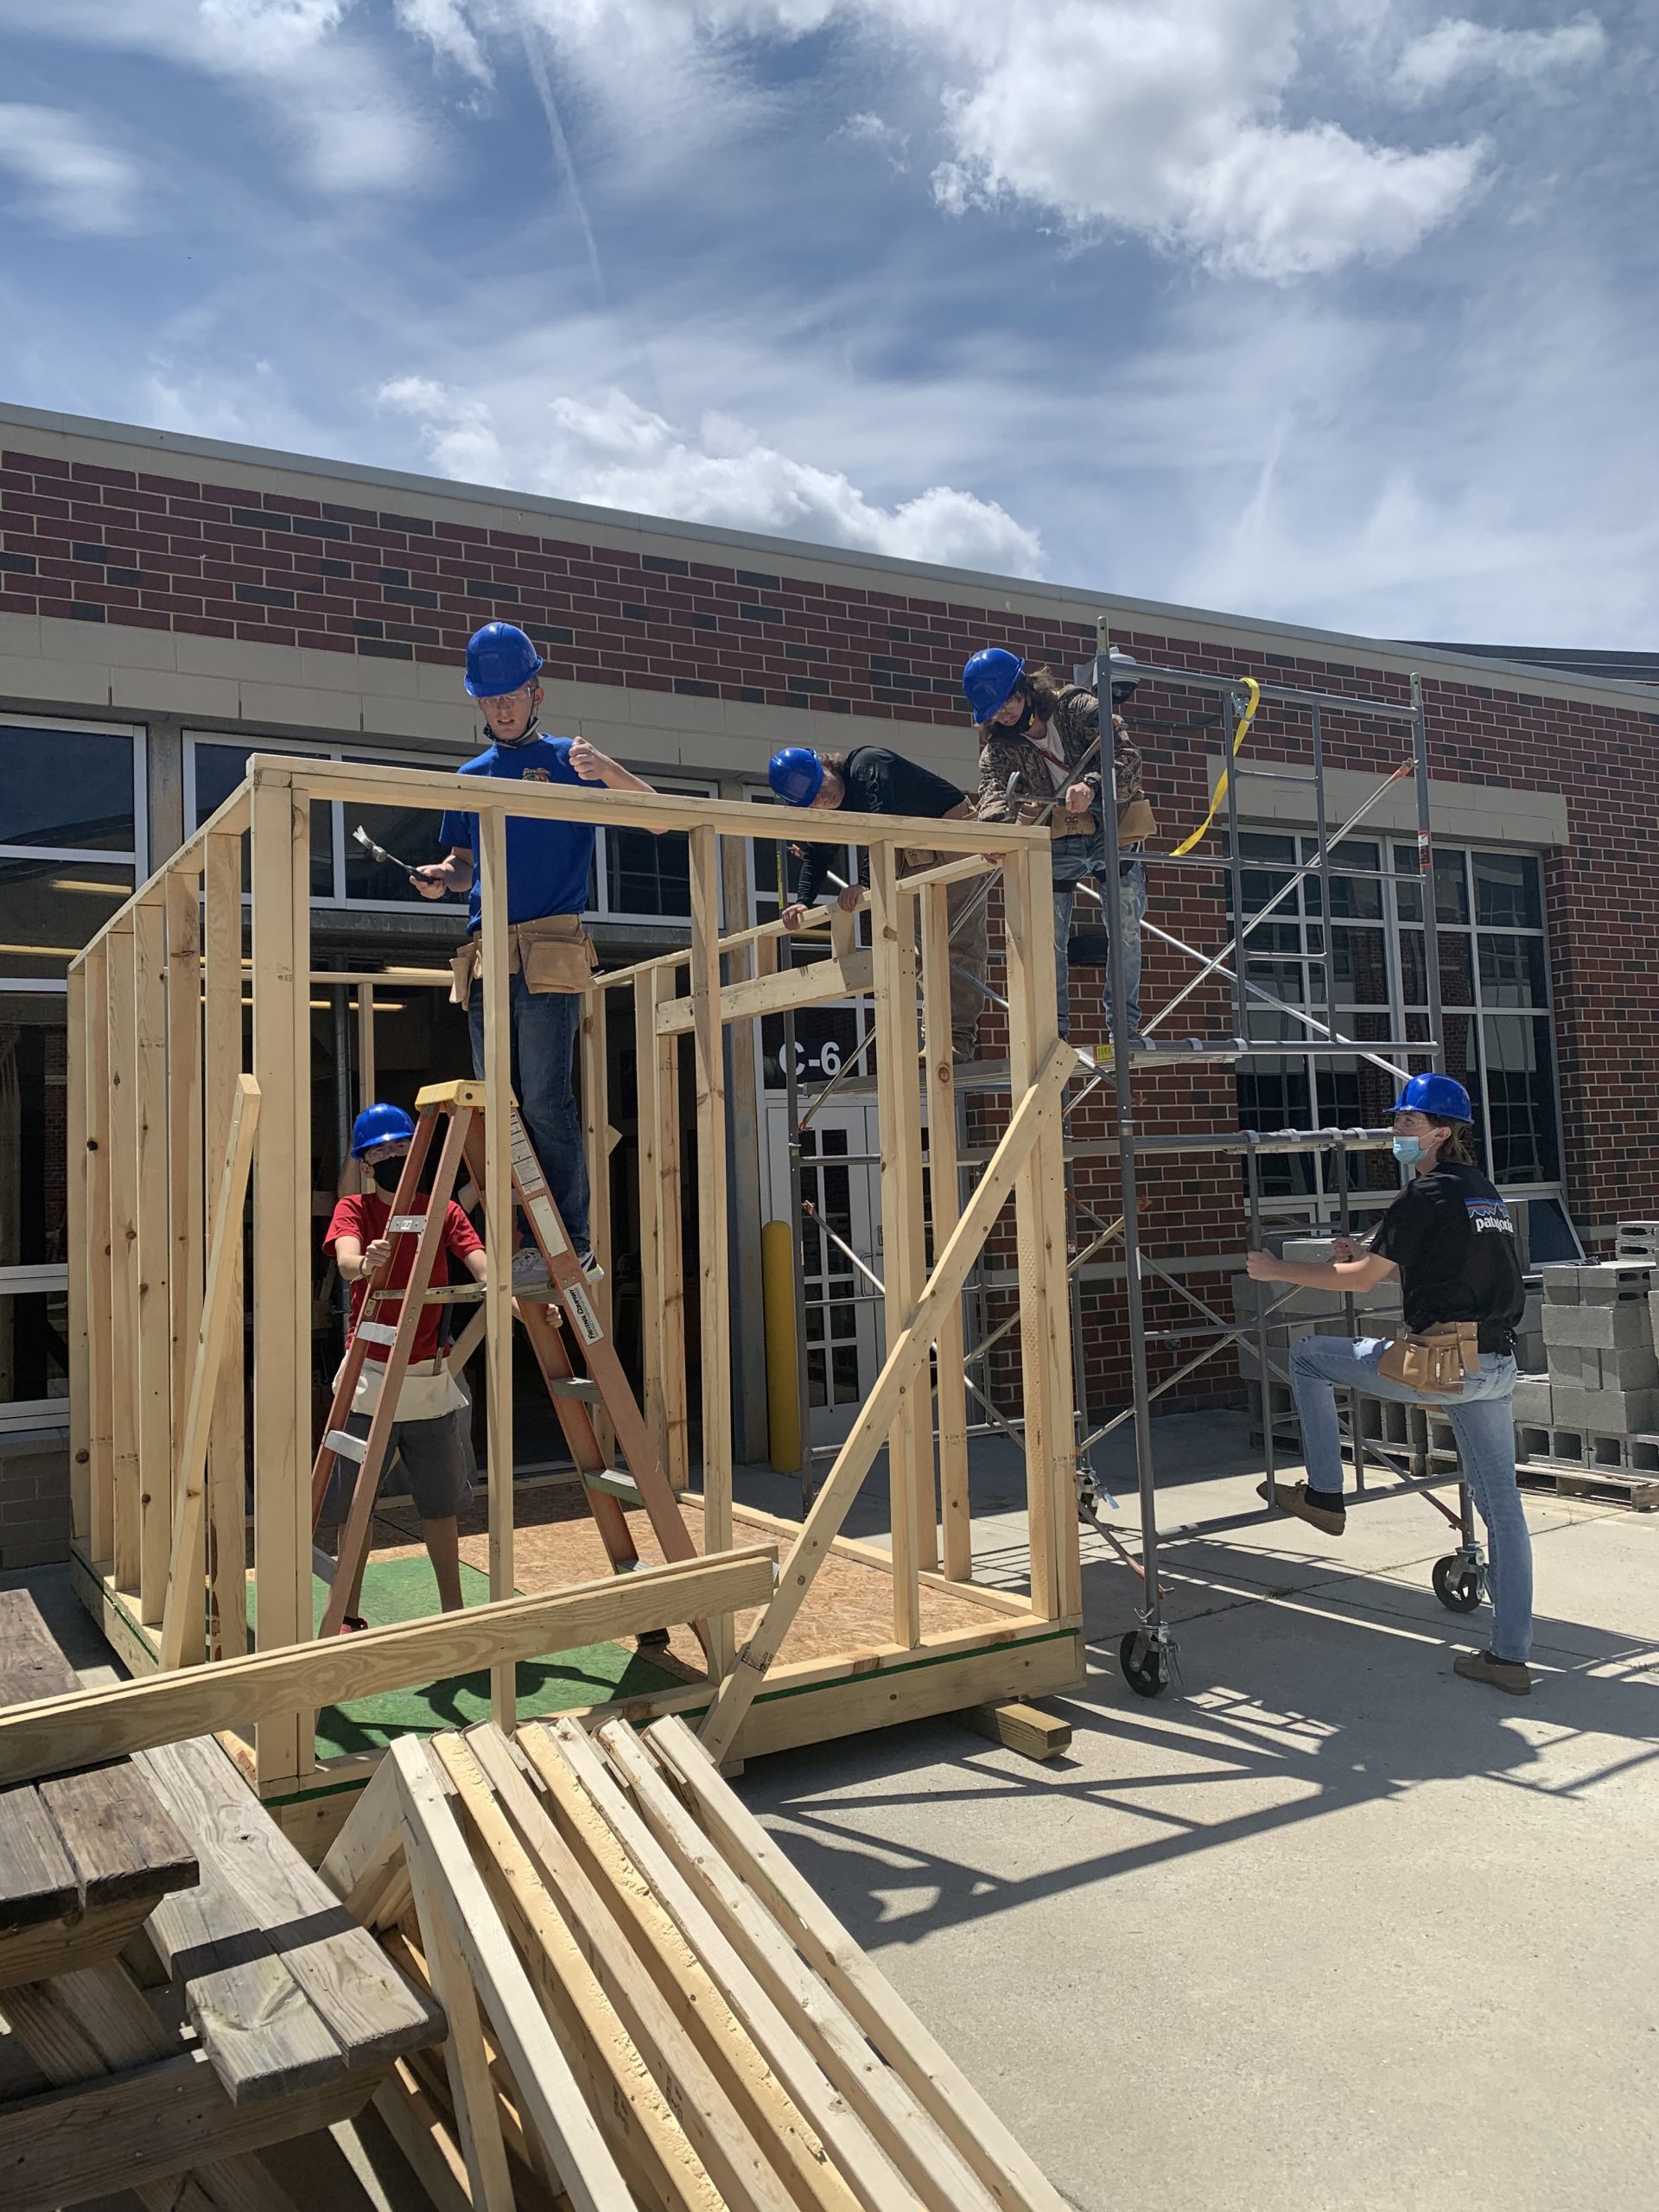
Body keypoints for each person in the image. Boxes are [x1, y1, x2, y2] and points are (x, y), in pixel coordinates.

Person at [1246, 1073, 1533, 1695]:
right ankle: (1509, 1658)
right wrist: (1361, 1255)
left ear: (1441, 1132)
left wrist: (1274, 1269)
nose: (1396, 1130)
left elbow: (1358, 1283)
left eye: (1409, 1121)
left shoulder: (1422, 1194)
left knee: (1308, 1357)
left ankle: (1325, 1495)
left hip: (1443, 1362)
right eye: (1397, 1118)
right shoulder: (1479, 1191)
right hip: (1494, 1364)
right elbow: (1430, 1265)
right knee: (1503, 1512)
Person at [412, 621, 656, 1286]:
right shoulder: (470, 777)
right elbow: (464, 865)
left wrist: (606, 769)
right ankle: (524, 1239)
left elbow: (658, 817)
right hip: (489, 955)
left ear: (536, 693)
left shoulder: (570, 761)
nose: (502, 708)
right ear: (478, 702)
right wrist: (442, 878)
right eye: (490, 699)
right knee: (500, 1105)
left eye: (512, 695)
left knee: (546, 1100)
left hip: (550, 947)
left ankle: (572, 1241)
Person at [322, 1103, 490, 1618]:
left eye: (403, 1146)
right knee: (356, 1510)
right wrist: (364, 1262)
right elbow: (346, 1259)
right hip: (370, 1378)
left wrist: (526, 1307)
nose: (395, 1156)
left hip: (427, 1382)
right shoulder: (355, 1209)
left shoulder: (442, 1210)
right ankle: (347, 1614)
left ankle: (453, 1611)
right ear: (365, 1163)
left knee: (441, 1507)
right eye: (383, 1151)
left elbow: (483, 1268)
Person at [966, 645, 1154, 1052]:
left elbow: (1127, 756)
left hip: (1110, 827)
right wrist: (995, 835)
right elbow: (993, 795)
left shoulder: (1075, 707)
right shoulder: (998, 749)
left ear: (1025, 688)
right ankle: (1057, 1033)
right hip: (1058, 834)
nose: (1005, 714)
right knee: (1048, 936)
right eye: (995, 711)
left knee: (1124, 926)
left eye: (1009, 701)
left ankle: (1124, 1029)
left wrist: (1093, 785)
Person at [770, 744, 989, 1060]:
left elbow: (880, 825)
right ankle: (937, 1042)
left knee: (956, 945)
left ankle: (956, 1041)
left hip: (951, 841)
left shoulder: (867, 766)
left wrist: (865, 882)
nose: (822, 798)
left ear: (826, 766)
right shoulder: (831, 809)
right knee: (918, 953)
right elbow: (818, 854)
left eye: (821, 786)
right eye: (811, 800)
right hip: (910, 859)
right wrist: (803, 901)